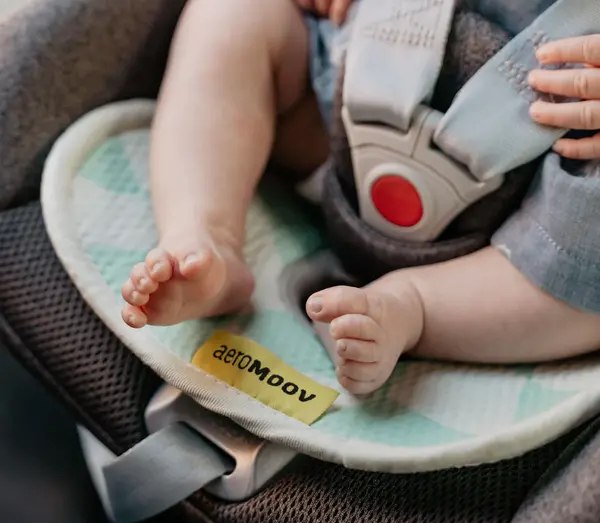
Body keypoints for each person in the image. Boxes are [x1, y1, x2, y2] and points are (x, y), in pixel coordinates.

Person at [120, 0, 600, 394]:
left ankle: (412, 308)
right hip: (341, 108)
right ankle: (204, 234)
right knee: (236, 13)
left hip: (531, 226)